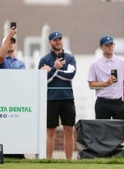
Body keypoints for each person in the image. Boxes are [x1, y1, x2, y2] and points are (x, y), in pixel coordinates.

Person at [87, 35, 124, 158]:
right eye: (107, 45)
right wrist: (105, 83)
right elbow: (91, 85)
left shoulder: (122, 61)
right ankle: (102, 159)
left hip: (118, 103)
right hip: (102, 103)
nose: (110, 47)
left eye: (111, 44)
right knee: (102, 134)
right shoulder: (95, 64)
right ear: (101, 47)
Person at [38, 31, 77, 160]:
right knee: (50, 131)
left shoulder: (70, 58)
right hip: (50, 99)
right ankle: (48, 160)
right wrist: (55, 69)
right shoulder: (44, 60)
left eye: (60, 39)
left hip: (67, 98)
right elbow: (42, 81)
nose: (58, 42)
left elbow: (70, 76)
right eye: (55, 40)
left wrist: (53, 70)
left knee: (69, 130)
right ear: (50, 42)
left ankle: (69, 161)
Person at [0, 23, 26, 159]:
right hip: (2, 100)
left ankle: (17, 154)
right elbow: (0, 57)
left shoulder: (21, 63)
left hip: (17, 100)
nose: (11, 44)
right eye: (9, 43)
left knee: (17, 128)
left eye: (13, 42)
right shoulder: (0, 60)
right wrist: (9, 36)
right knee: (2, 128)